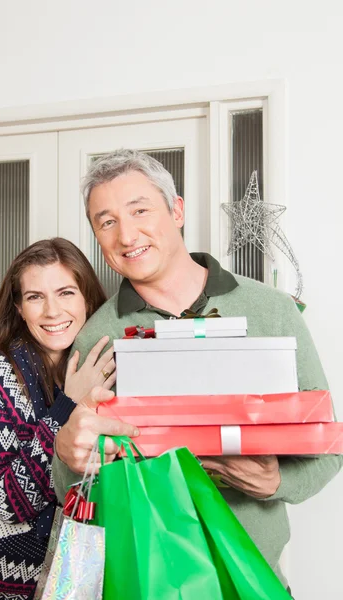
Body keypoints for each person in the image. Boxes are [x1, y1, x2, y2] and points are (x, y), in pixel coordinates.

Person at [52, 149, 342, 592]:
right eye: (106, 221)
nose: (127, 234)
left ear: (177, 210)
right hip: (149, 584)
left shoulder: (272, 310)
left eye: (140, 210)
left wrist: (277, 479)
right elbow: (73, 488)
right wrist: (68, 452)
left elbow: (328, 448)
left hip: (255, 581)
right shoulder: (98, 338)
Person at [0, 237, 121, 600]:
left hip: (67, 579)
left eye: (65, 292)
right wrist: (70, 403)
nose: (52, 311)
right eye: (35, 297)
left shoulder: (106, 368)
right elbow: (5, 503)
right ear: (20, 308)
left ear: (87, 297)